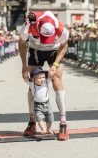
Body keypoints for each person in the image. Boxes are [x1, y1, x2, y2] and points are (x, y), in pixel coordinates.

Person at [19, 11, 69, 141]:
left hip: (54, 50)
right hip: (36, 49)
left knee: (57, 80)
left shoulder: (61, 28)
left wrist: (56, 64)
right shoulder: (30, 24)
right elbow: (21, 43)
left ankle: (63, 122)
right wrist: (24, 65)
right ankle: (32, 121)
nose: (46, 41)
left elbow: (64, 46)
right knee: (32, 83)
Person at [25, 67, 54, 134]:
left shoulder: (46, 82)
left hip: (47, 104)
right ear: (33, 79)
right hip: (37, 105)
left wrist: (51, 72)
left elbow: (50, 76)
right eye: (40, 78)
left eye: (43, 77)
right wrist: (25, 72)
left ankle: (48, 129)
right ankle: (43, 129)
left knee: (50, 118)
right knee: (39, 118)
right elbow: (26, 79)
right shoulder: (32, 85)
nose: (42, 79)